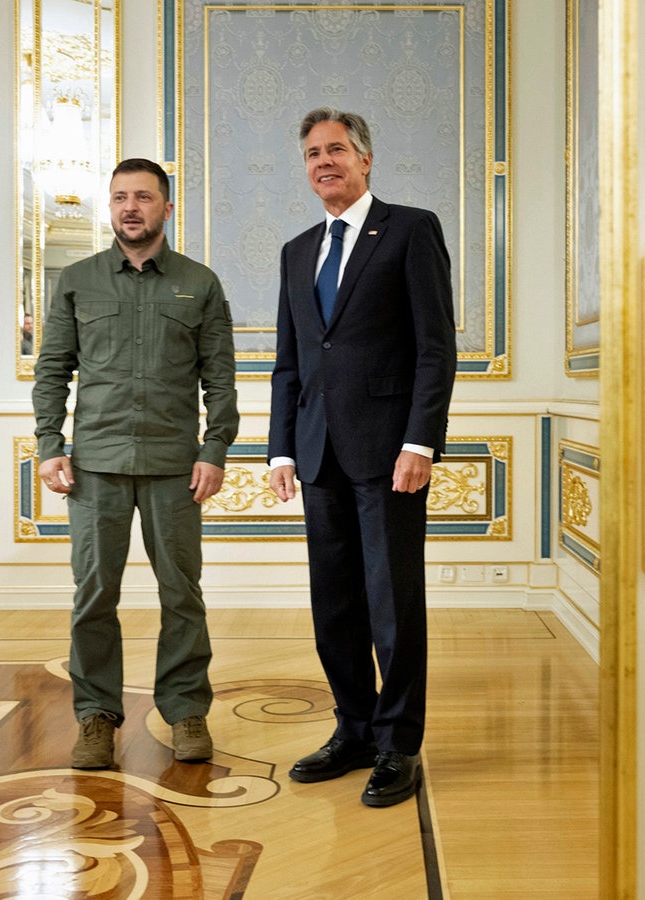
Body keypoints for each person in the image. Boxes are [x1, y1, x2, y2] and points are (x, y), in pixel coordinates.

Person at [268, 108, 457, 807]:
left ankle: (399, 745)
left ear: (365, 159)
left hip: (389, 455)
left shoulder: (409, 229)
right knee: (335, 605)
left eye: (337, 149)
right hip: (317, 454)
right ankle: (353, 729)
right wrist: (280, 445)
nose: (325, 161)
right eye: (313, 152)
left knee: (392, 606)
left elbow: (436, 347)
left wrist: (420, 442)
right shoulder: (296, 250)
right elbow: (290, 361)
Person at [32, 158, 239, 769]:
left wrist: (216, 450)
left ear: (166, 208)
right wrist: (49, 444)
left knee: (181, 593)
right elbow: (52, 370)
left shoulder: (199, 283)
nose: (130, 207)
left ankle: (185, 711)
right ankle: (95, 716)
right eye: (120, 196)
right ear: (111, 207)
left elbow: (219, 380)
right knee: (94, 592)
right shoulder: (76, 279)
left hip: (177, 465)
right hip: (95, 463)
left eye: (143, 197)